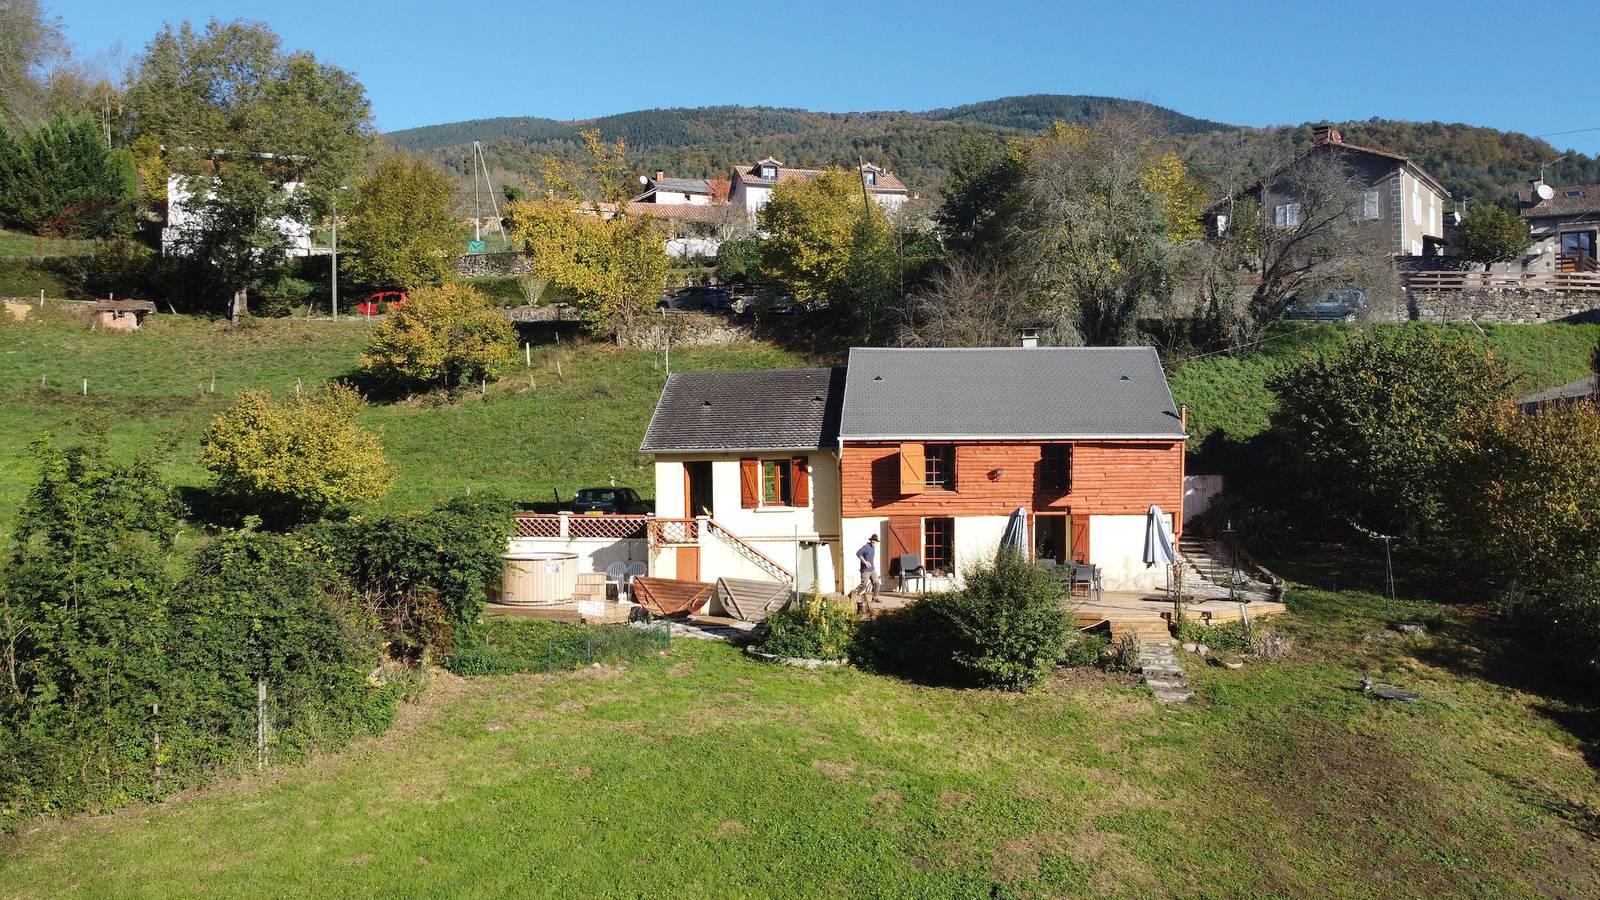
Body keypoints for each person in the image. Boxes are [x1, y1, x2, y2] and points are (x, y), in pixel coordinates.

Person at [852, 534, 880, 606]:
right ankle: (852, 595)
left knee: (877, 583)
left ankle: (875, 597)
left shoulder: (873, 547)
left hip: (872, 569)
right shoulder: (866, 547)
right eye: (873, 541)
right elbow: (858, 553)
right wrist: (865, 562)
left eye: (876, 541)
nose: (875, 543)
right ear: (871, 540)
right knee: (864, 585)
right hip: (865, 570)